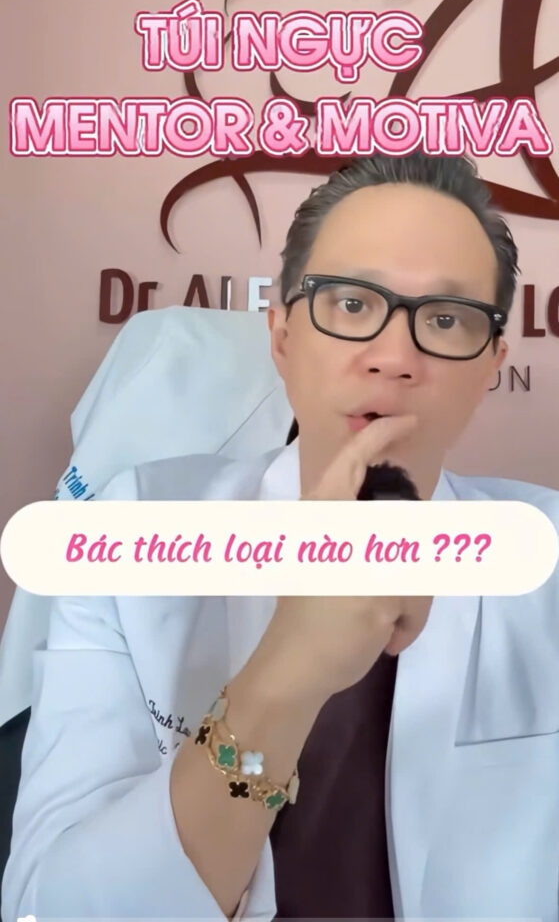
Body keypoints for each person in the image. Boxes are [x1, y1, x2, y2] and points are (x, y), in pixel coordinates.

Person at [3, 153, 559, 922]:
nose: (394, 359)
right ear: (282, 337)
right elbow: (49, 907)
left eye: (444, 319)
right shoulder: (128, 530)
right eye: (351, 304)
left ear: (491, 364)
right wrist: (285, 674)